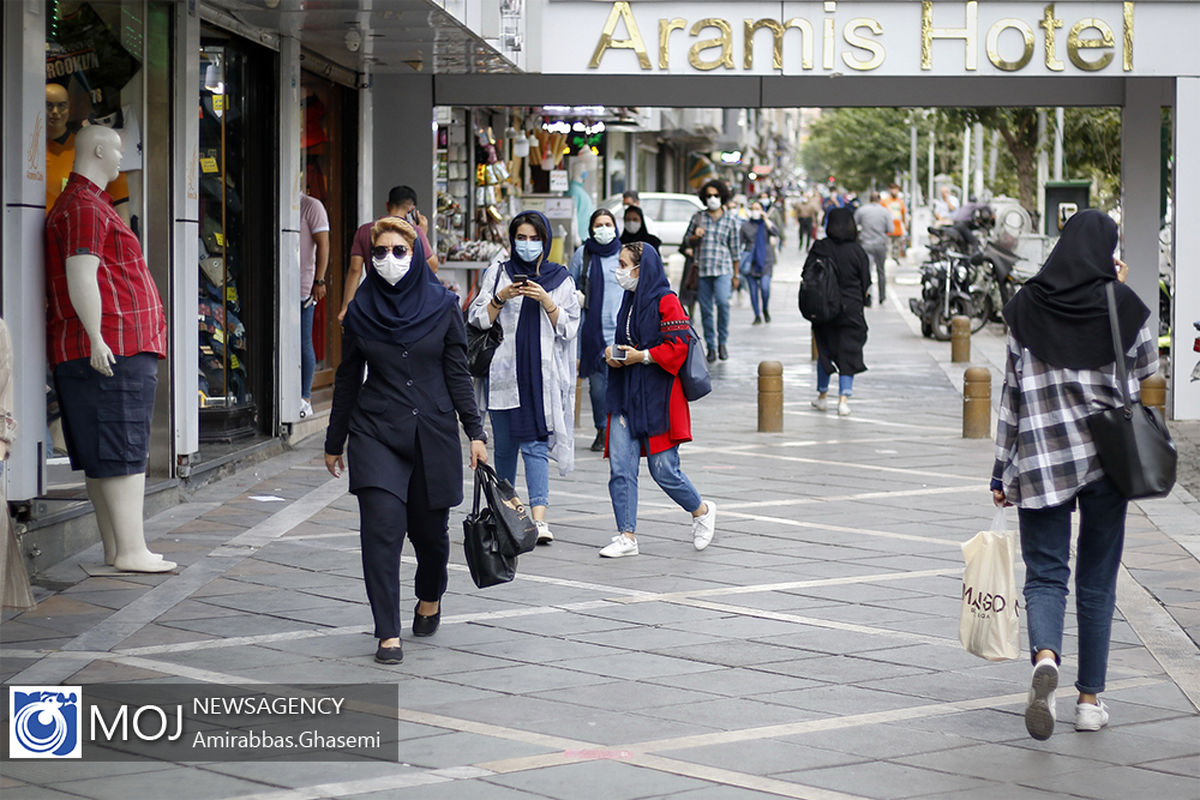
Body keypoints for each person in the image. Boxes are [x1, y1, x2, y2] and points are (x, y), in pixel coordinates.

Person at [990, 209, 1155, 741]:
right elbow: (1147, 369)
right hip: (1109, 460)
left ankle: (1045, 657)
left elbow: (1011, 396)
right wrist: (1116, 291)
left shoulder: (1026, 306)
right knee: (1097, 580)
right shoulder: (1123, 305)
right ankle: (1089, 701)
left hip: (1042, 459)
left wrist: (1001, 470)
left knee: (1045, 574)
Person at [324, 217, 487, 665]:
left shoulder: (443, 305)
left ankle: (430, 596)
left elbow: (457, 373)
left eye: (399, 251)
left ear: (415, 256)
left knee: (431, 538)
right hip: (376, 432)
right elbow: (348, 377)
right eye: (379, 252)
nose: (389, 259)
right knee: (381, 530)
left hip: (432, 433)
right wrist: (335, 440)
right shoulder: (360, 310)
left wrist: (475, 432)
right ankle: (387, 632)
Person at [45, 125, 173, 573]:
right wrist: (97, 337)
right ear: (99, 150)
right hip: (112, 347)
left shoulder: (82, 204)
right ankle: (131, 549)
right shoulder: (85, 206)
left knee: (106, 451)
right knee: (122, 447)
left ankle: (117, 549)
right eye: (118, 150)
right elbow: (81, 271)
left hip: (105, 345)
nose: (122, 158)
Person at [597, 242, 716, 558]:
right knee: (621, 468)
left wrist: (643, 356)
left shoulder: (667, 300)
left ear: (642, 268)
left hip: (658, 396)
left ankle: (701, 511)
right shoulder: (629, 300)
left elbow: (678, 346)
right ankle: (627, 535)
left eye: (624, 265)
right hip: (625, 392)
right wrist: (612, 354)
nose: (620, 271)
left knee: (664, 469)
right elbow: (624, 341)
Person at [468, 211, 580, 545]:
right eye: (521, 238)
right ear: (512, 239)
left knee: (535, 445)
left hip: (540, 376)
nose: (528, 245)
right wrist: (501, 297)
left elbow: (569, 328)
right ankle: (508, 514)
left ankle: (539, 519)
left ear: (545, 241)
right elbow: (477, 319)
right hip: (503, 375)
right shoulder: (498, 272)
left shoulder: (561, 278)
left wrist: (546, 300)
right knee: (504, 447)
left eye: (534, 239)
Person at [340, 185, 439, 322]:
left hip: (375, 300)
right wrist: (422, 234)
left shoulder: (365, 230)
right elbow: (433, 267)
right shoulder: (414, 231)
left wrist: (346, 307)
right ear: (412, 210)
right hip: (409, 301)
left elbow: (355, 270)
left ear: (387, 205)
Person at [806, 208, 870, 417]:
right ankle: (844, 400)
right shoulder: (857, 251)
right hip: (851, 309)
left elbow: (807, 274)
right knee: (848, 352)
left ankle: (822, 396)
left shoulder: (820, 247)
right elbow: (866, 282)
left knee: (824, 351)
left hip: (823, 308)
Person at [571, 209, 624, 452]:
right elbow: (570, 286)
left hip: (619, 333)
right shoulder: (583, 254)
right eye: (599, 225)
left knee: (619, 383)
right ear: (591, 228)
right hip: (592, 333)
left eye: (608, 224)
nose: (604, 229)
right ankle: (602, 428)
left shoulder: (623, 254)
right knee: (598, 387)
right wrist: (578, 297)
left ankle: (618, 430)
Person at [45, 82, 131, 226]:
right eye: (48, 105)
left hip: (80, 231)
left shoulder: (90, 147)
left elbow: (122, 212)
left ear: (70, 108)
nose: (55, 111)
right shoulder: (27, 153)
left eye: (62, 105)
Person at [683, 179, 740, 362]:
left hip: (723, 270)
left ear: (722, 196)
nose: (712, 199)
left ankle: (723, 342)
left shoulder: (730, 220)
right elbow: (686, 241)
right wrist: (695, 236)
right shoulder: (698, 217)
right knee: (706, 311)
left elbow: (735, 250)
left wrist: (736, 274)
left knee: (723, 304)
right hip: (702, 270)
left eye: (715, 195)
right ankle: (711, 347)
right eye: (708, 196)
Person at [299, 192, 330, 419]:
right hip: (278, 287)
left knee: (303, 342)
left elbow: (323, 244)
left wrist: (319, 280)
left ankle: (306, 398)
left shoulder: (311, 205)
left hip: (303, 287)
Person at [739, 200, 779, 324]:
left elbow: (775, 232)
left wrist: (766, 219)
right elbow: (739, 243)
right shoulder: (745, 226)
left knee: (765, 288)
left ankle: (765, 309)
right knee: (753, 291)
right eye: (753, 209)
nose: (755, 211)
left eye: (758, 209)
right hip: (751, 261)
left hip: (766, 260)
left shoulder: (766, 224)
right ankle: (757, 315)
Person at [854, 192, 892, 304]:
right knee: (881, 271)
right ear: (879, 200)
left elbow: (854, 224)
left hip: (866, 244)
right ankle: (882, 296)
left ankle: (868, 295)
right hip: (880, 244)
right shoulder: (885, 212)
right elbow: (890, 229)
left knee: (867, 270)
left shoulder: (862, 210)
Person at [881, 183, 909, 260]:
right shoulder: (885, 201)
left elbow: (903, 214)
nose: (895, 191)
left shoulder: (900, 202)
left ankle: (895, 259)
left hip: (898, 228)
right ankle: (887, 260)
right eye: (893, 189)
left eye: (896, 190)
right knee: (887, 246)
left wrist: (905, 224)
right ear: (890, 190)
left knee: (897, 246)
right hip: (887, 228)